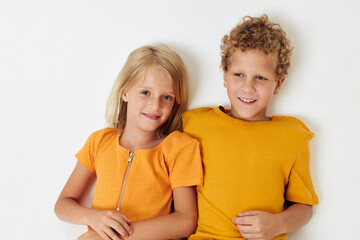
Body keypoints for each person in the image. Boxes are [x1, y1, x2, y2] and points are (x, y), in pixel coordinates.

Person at [183, 15, 319, 240]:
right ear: (225, 75)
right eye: (239, 75)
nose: (248, 87)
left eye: (261, 78)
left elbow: (304, 206)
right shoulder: (194, 123)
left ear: (279, 83)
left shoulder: (293, 136)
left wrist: (279, 223)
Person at [54, 44, 203, 240]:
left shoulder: (179, 147)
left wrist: (117, 237)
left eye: (166, 97)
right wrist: (94, 218)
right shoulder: (99, 141)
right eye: (145, 93)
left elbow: (185, 221)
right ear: (125, 92)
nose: (155, 105)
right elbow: (63, 204)